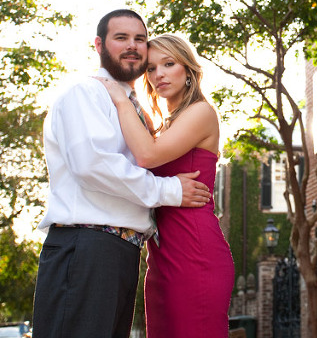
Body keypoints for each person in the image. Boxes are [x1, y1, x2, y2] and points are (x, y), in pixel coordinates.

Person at [33, 9, 212, 338]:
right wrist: (169, 190)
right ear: (99, 45)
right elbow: (92, 165)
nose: (132, 46)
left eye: (140, 39)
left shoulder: (134, 109)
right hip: (85, 247)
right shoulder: (84, 94)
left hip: (122, 252)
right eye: (121, 38)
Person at [96, 33, 235, 338]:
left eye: (168, 64)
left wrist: (119, 98)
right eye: (150, 68)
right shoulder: (164, 124)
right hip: (161, 256)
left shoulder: (200, 112)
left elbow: (147, 155)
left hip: (195, 251)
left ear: (187, 70)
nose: (158, 74)